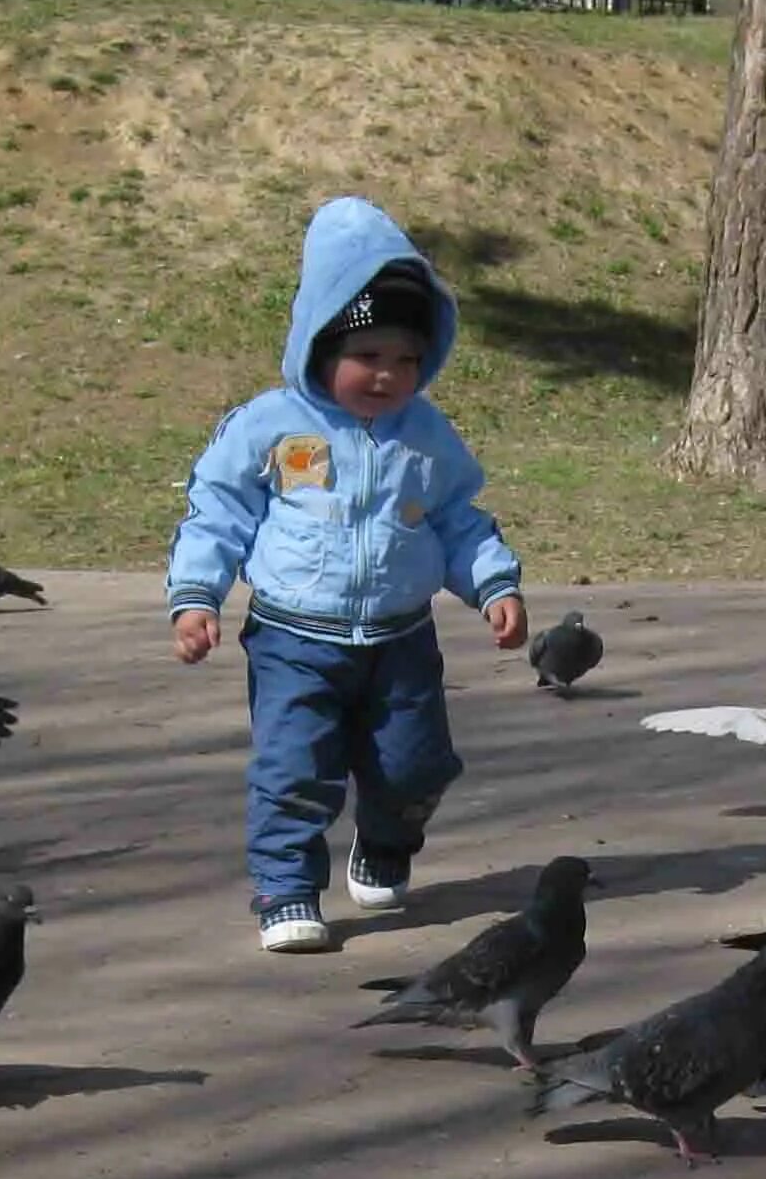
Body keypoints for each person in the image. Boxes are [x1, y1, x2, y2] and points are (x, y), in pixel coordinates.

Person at [167, 197, 527, 953]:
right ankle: (287, 890)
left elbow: (458, 516)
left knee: (415, 767)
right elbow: (217, 512)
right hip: (294, 640)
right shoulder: (268, 426)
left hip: (401, 641)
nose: (387, 375)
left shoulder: (427, 435)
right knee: (293, 769)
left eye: (406, 359)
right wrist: (198, 595)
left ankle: (384, 841)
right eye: (367, 356)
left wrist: (494, 583)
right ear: (318, 346)